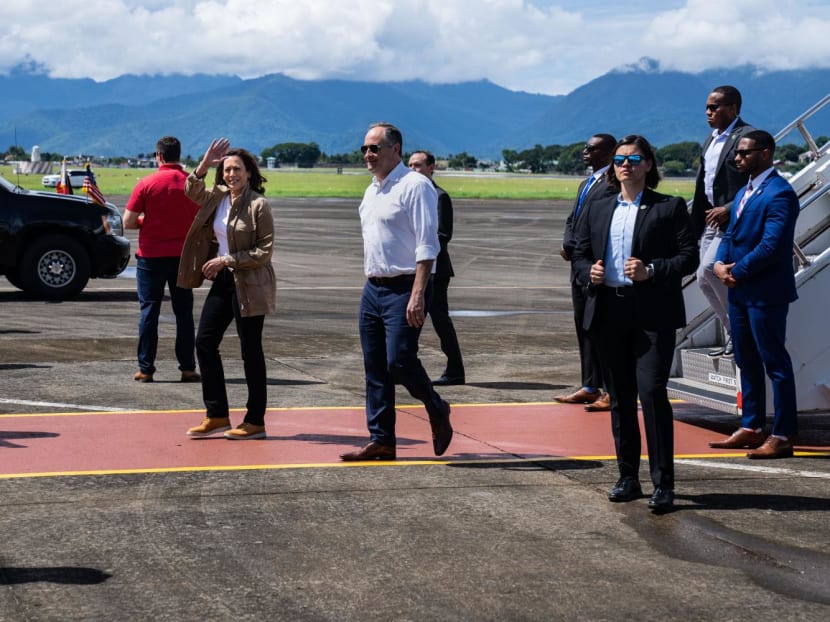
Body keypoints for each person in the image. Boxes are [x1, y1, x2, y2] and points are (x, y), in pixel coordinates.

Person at [572, 135, 698, 512]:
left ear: (648, 165)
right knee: (620, 398)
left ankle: (663, 484)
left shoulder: (669, 207)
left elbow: (689, 257)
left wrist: (653, 270)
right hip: (609, 310)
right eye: (619, 159)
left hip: (651, 314)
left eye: (634, 158)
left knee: (652, 393)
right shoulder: (598, 207)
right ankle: (628, 477)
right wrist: (587, 272)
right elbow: (579, 253)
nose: (625, 165)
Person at [340, 123, 453, 461]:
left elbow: (427, 244)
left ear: (396, 149)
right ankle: (382, 439)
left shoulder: (415, 186)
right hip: (373, 288)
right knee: (374, 367)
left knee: (399, 361)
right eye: (364, 149)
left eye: (374, 148)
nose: (368, 155)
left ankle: (436, 407)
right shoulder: (372, 190)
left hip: (406, 287)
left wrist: (419, 293)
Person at [177, 138, 276, 440]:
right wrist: (205, 163)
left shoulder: (258, 204)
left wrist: (226, 259)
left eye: (237, 169)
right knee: (205, 342)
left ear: (249, 173)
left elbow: (264, 251)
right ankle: (217, 414)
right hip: (223, 282)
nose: (231, 174)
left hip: (250, 283)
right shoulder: (217, 198)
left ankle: (255, 420)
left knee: (250, 350)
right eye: (227, 169)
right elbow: (191, 190)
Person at [710, 130, 799, 459]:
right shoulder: (747, 191)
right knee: (745, 360)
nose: (737, 158)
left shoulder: (780, 194)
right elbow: (730, 232)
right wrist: (719, 263)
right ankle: (751, 426)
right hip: (739, 291)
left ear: (765, 154)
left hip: (764, 292)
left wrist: (736, 272)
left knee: (775, 363)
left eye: (744, 153)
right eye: (737, 153)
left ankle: (784, 433)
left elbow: (773, 245)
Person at [124, 136, 201, 383]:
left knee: (149, 312)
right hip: (183, 257)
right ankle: (188, 367)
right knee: (184, 314)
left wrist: (149, 221)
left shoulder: (146, 183)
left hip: (151, 258)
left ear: (158, 156)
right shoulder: (191, 183)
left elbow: (128, 221)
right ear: (179, 155)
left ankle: (146, 368)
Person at [691, 86, 755, 358]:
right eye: (707, 107)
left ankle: (741, 332)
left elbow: (755, 182)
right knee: (701, 278)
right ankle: (734, 333)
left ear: (733, 108)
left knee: (709, 269)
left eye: (714, 107)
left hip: (731, 219)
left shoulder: (746, 137)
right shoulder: (711, 139)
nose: (708, 112)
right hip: (709, 219)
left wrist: (728, 208)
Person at [556, 134, 616, 412]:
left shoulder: (612, 183)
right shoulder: (586, 183)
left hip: (595, 264)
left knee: (602, 329)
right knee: (583, 327)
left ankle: (610, 390)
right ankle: (589, 385)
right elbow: (573, 218)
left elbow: (603, 223)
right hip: (577, 263)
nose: (584, 152)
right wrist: (567, 244)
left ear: (608, 152)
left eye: (591, 148)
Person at [407, 150, 466, 386]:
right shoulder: (412, 194)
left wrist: (417, 250)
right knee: (413, 321)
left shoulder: (439, 196)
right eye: (410, 165)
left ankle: (455, 370)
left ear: (431, 168)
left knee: (440, 321)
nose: (413, 170)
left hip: (436, 270)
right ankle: (406, 367)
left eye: (418, 165)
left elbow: (443, 235)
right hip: (414, 269)